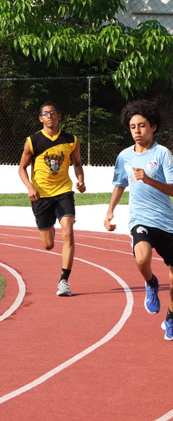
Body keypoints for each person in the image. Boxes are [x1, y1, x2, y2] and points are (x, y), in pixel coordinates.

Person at [104, 100, 173, 341]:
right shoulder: (124, 156)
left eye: (142, 126)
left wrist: (149, 179)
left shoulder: (163, 154)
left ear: (153, 127)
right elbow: (120, 184)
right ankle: (151, 283)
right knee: (142, 258)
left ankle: (171, 319)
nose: (137, 131)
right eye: (132, 127)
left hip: (168, 224)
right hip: (140, 218)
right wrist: (110, 212)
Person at [18, 101, 86, 296]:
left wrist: (80, 180)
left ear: (59, 116)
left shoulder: (71, 140)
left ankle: (64, 280)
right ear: (40, 118)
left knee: (69, 231)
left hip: (64, 191)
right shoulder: (33, 141)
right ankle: (54, 223)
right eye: (45, 114)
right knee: (48, 244)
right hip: (41, 195)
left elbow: (78, 163)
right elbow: (21, 168)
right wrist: (29, 187)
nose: (49, 116)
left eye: (52, 113)